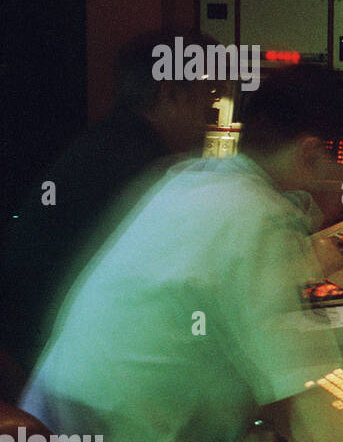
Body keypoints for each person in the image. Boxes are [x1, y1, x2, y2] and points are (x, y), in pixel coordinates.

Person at [20, 63, 343, 442]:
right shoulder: (261, 218)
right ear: (311, 153)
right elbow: (323, 432)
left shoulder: (189, 180)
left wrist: (259, 427)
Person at [0, 29, 219, 372]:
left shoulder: (109, 140)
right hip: (53, 359)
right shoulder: (146, 168)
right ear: (170, 93)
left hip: (32, 340)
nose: (212, 111)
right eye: (207, 95)